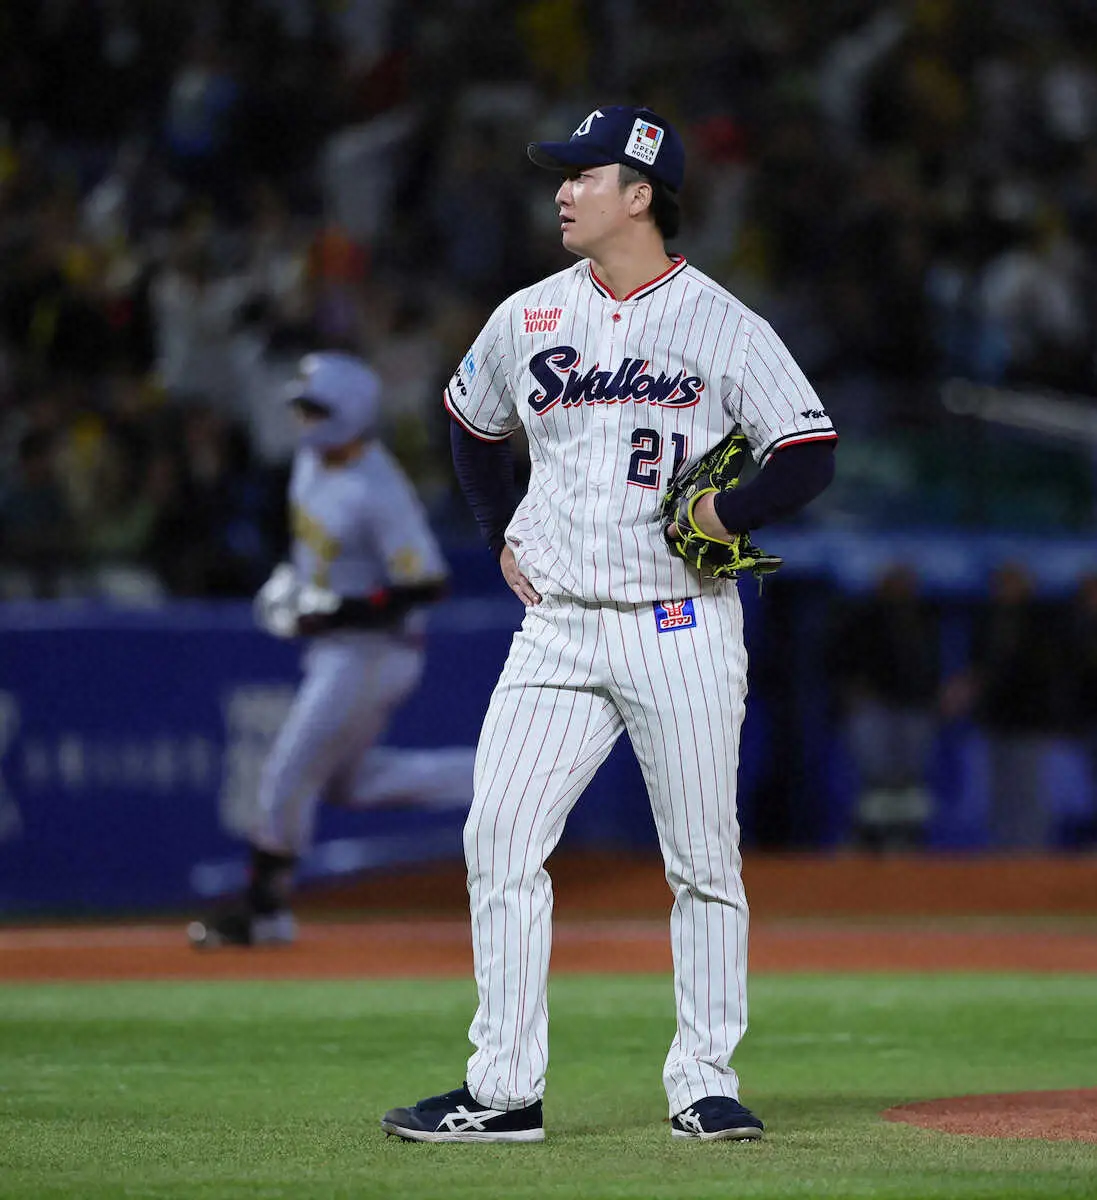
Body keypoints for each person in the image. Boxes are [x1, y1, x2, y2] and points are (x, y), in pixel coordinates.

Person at [381, 105, 837, 1143]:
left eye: (582, 174)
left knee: (700, 861)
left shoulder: (722, 323)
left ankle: (703, 1082)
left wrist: (725, 511)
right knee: (496, 838)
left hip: (678, 622)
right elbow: (468, 423)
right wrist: (500, 531)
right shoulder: (527, 316)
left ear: (639, 194)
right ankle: (502, 1091)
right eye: (561, 175)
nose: (560, 189)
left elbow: (807, 449)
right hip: (557, 631)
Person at [188, 351, 475, 948]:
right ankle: (498, 778)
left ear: (350, 411)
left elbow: (428, 583)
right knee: (348, 784)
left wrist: (337, 611)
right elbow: (311, 555)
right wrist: (295, 591)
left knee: (287, 769)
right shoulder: (310, 462)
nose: (305, 419)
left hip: (375, 651)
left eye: (316, 407)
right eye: (302, 407)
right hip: (337, 648)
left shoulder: (380, 486)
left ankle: (265, 911)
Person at [826, 563, 942, 850]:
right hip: (874, 706)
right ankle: (871, 840)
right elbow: (840, 659)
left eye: (906, 582)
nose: (901, 588)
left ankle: (908, 840)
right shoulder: (864, 617)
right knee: (876, 778)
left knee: (909, 780)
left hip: (914, 706)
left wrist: (932, 696)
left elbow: (931, 663)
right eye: (895, 582)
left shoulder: (923, 617)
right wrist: (852, 689)